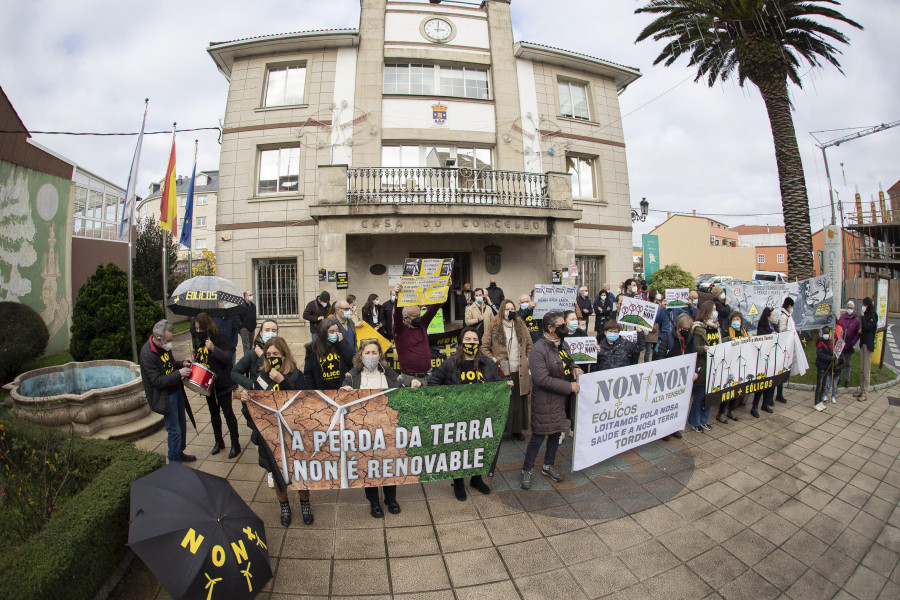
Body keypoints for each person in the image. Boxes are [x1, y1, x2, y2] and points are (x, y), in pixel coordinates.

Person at [238, 336, 314, 526]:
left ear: (284, 355)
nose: (272, 357)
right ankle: (284, 506)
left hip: (292, 436)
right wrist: (246, 402)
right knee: (277, 474)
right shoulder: (261, 377)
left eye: (276, 354)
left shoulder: (296, 374)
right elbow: (252, 414)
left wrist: (283, 382)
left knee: (299, 473)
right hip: (269, 436)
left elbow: (302, 405)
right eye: (269, 354)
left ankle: (305, 503)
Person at [342, 339, 420, 517]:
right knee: (368, 466)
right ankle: (374, 502)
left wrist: (414, 382)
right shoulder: (352, 377)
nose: (370, 356)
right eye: (367, 353)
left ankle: (390, 499)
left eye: (374, 353)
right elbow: (343, 398)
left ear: (380, 355)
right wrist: (344, 391)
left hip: (387, 429)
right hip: (364, 430)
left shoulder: (389, 374)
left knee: (388, 464)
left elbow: (403, 382)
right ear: (360, 355)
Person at [429, 327, 508, 500]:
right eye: (467, 340)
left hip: (481, 415)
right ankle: (458, 482)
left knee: (478, 447)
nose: (471, 343)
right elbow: (433, 382)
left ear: (479, 342)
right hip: (458, 416)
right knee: (459, 449)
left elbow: (495, 383)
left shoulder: (487, 363)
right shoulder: (450, 363)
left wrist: (504, 385)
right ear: (460, 342)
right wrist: (448, 400)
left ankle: (476, 479)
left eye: (474, 340)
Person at [520, 312, 582, 490]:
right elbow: (542, 379)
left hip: (560, 400)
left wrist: (576, 368)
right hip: (545, 401)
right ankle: (527, 469)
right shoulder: (538, 349)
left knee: (556, 433)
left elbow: (569, 362)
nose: (566, 327)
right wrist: (568, 387)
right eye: (562, 325)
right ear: (551, 328)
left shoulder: (563, 343)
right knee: (538, 437)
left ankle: (548, 466)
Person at [140, 319, 196, 464]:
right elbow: (157, 381)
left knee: (182, 425)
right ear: (158, 339)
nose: (170, 343)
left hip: (176, 389)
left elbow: (169, 365)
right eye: (168, 340)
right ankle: (174, 463)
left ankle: (179, 452)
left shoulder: (163, 347)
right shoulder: (147, 354)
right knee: (174, 431)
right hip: (165, 395)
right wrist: (179, 374)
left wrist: (180, 364)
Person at [481, 300, 533, 441]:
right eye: (507, 308)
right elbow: (484, 347)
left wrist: (527, 358)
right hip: (503, 367)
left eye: (512, 308)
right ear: (502, 310)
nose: (510, 311)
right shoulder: (494, 325)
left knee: (519, 400)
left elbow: (529, 344)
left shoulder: (520, 324)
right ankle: (501, 429)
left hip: (520, 368)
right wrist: (494, 360)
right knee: (505, 400)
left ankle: (517, 429)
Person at [192, 312, 241, 458]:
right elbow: (201, 360)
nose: (198, 331)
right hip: (208, 385)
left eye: (200, 328)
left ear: (207, 327)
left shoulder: (220, 338)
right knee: (214, 414)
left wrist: (214, 348)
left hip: (223, 383)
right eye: (196, 328)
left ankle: (235, 444)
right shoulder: (199, 341)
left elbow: (228, 358)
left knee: (228, 414)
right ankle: (218, 441)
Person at [392, 283, 441, 387]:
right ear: (406, 318)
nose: (419, 317)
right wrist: (397, 297)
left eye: (419, 315)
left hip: (427, 375)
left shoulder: (422, 324)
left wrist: (444, 288)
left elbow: (434, 308)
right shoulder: (400, 330)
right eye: (415, 316)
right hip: (409, 378)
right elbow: (396, 314)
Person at [661, 313, 696, 440]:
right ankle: (664, 430)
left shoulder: (690, 339)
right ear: (678, 327)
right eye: (684, 329)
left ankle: (675, 427)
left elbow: (693, 355)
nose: (686, 332)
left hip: (683, 378)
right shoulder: (668, 338)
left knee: (679, 404)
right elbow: (659, 356)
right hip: (669, 378)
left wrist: (694, 371)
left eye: (688, 329)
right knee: (667, 405)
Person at [690, 301, 721, 433]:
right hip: (703, 366)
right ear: (707, 311)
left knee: (710, 395)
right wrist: (703, 348)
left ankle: (704, 420)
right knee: (700, 396)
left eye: (716, 309)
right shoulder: (698, 328)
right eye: (713, 309)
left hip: (714, 366)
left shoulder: (716, 327)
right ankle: (694, 421)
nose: (715, 312)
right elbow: (693, 348)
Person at [303, 317, 356, 390]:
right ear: (323, 332)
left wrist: (342, 343)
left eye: (336, 331)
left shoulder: (341, 345)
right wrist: (312, 391)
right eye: (331, 332)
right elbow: (308, 373)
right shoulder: (312, 348)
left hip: (341, 387)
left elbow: (351, 361)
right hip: (322, 388)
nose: (335, 334)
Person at [717, 312, 748, 423]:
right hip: (730, 363)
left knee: (736, 388)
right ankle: (721, 412)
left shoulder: (743, 331)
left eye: (738, 319)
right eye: (734, 319)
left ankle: (731, 410)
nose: (736, 321)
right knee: (728, 388)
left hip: (740, 362)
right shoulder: (727, 331)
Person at [751, 307, 777, 418]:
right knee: (761, 384)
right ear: (768, 316)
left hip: (771, 358)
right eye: (772, 315)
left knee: (770, 383)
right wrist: (771, 336)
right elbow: (762, 339)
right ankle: (754, 407)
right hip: (763, 359)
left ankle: (765, 404)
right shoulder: (762, 327)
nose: (774, 317)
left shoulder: (773, 327)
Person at [814, 325, 841, 411]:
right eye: (825, 333)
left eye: (827, 333)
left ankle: (820, 400)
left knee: (824, 385)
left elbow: (833, 353)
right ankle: (816, 402)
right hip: (821, 366)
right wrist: (830, 358)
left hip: (827, 367)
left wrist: (835, 358)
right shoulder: (820, 343)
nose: (826, 334)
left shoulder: (831, 342)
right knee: (819, 385)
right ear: (822, 333)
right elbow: (820, 355)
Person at [855, 297, 877, 402]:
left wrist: (863, 316)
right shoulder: (867, 315)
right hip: (863, 343)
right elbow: (864, 328)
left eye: (864, 304)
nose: (863, 306)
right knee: (862, 369)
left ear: (867, 305)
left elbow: (868, 327)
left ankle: (865, 393)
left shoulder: (872, 315)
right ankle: (861, 389)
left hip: (868, 345)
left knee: (866, 370)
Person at [774, 297, 795, 404]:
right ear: (789, 306)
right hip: (782, 346)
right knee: (780, 371)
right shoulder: (783, 316)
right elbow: (782, 330)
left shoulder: (787, 315)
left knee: (783, 371)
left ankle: (780, 393)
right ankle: (778, 394)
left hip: (786, 346)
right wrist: (789, 331)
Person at [836, 301, 860, 387]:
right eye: (848, 307)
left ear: (853, 309)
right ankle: (838, 378)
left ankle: (847, 380)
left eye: (851, 308)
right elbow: (838, 325)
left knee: (848, 363)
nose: (849, 309)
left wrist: (853, 343)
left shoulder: (856, 320)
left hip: (849, 344)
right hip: (841, 343)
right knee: (840, 362)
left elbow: (857, 333)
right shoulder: (843, 317)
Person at [643, 289, 662, 362]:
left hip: (657, 330)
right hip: (649, 329)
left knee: (656, 351)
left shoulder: (659, 304)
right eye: (657, 293)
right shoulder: (647, 304)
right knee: (648, 351)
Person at [239, 290, 257, 355]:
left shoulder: (253, 306)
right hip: (245, 329)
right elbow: (238, 317)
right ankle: (247, 360)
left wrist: (255, 325)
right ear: (246, 297)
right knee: (246, 346)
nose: (251, 296)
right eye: (250, 295)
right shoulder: (242, 306)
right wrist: (242, 326)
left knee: (251, 346)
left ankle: (250, 358)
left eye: (252, 295)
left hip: (252, 328)